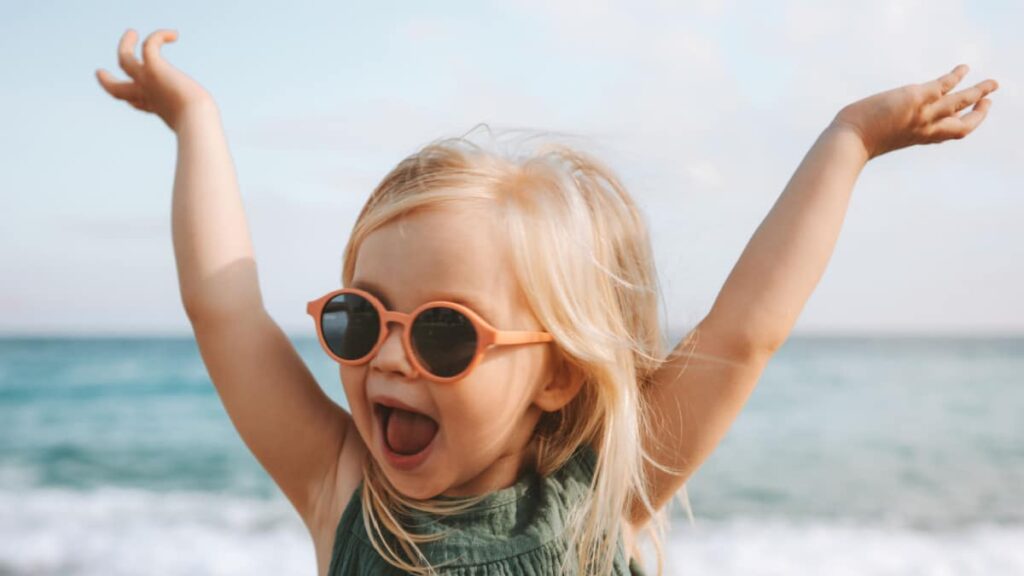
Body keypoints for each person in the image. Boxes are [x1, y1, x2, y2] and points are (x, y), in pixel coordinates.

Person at [96, 28, 999, 576]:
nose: (390, 357)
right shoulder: (346, 496)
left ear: (559, 373)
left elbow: (744, 333)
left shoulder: (599, 500)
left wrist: (849, 141)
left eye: (445, 334)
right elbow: (225, 310)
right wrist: (196, 121)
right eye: (359, 319)